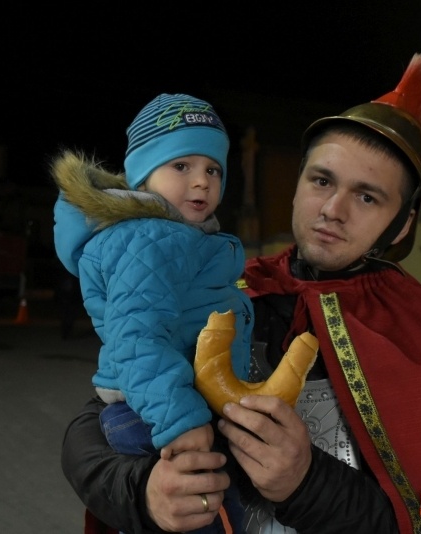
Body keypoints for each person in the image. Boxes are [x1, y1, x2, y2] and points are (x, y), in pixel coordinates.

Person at [61, 54, 421, 534]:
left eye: (367, 196)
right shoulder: (229, 286)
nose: (333, 209)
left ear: (403, 226)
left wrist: (308, 483)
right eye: (322, 181)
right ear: (298, 186)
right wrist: (145, 489)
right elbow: (88, 431)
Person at [52, 93, 253, 533]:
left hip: (166, 405)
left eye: (212, 169)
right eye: (181, 166)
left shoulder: (181, 238)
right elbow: (136, 338)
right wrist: (179, 420)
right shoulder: (152, 240)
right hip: (157, 413)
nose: (201, 182)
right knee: (206, 519)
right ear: (144, 175)